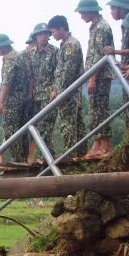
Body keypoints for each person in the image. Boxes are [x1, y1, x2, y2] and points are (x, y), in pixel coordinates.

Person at [76, 0, 114, 158]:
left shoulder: (101, 28)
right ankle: (97, 143)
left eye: (82, 13)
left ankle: (105, 145)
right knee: (94, 110)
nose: (81, 16)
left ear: (89, 11)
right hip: (95, 75)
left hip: (100, 75)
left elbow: (99, 55)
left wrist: (92, 78)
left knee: (100, 109)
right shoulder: (95, 27)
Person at [48, 15, 87, 159]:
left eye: (53, 32)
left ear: (61, 29)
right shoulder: (65, 44)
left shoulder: (70, 45)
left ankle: (70, 155)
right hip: (66, 90)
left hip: (68, 92)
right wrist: (55, 88)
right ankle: (79, 153)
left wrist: (58, 91)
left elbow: (68, 72)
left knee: (68, 123)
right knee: (77, 123)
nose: (52, 35)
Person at [0, 34, 30, 166]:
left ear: (2, 47)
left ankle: (18, 160)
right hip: (23, 99)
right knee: (22, 130)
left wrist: (1, 102)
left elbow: (7, 82)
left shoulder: (10, 59)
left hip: (13, 100)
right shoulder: (20, 56)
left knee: (11, 131)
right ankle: (23, 159)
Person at [26, 23, 58, 164]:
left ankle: (48, 158)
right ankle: (49, 156)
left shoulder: (55, 51)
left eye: (45, 33)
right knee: (37, 129)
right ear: (35, 37)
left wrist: (55, 89)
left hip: (50, 96)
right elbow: (31, 76)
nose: (43, 36)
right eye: (40, 34)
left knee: (46, 127)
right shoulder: (32, 54)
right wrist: (30, 93)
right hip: (36, 96)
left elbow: (59, 73)